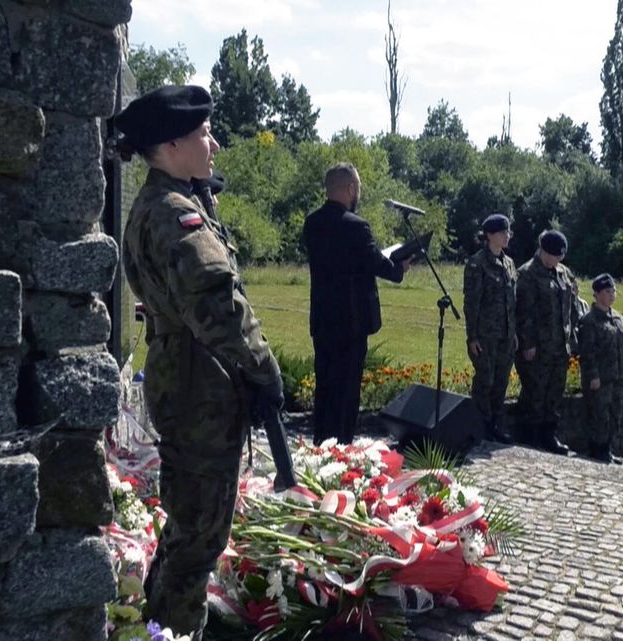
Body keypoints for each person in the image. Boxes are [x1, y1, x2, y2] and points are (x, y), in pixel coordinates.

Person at [114, 85, 293, 637]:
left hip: (191, 378)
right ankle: (176, 625)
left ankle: (160, 619)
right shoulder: (174, 215)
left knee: (189, 523)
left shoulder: (173, 203)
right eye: (204, 134)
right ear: (172, 144)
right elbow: (221, 310)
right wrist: (265, 370)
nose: (213, 145)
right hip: (199, 387)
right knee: (200, 533)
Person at [302, 163, 411, 444]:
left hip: (323, 320)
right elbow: (376, 262)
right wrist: (399, 268)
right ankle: (342, 447)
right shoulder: (356, 226)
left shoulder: (312, 223)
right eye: (358, 188)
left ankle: (321, 446)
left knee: (325, 389)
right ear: (350, 188)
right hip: (351, 323)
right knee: (347, 394)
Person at [515, 230, 583, 454]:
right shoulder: (528, 274)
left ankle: (548, 434)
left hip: (559, 346)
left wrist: (572, 339)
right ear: (543, 251)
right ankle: (530, 435)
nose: (557, 260)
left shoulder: (563, 273)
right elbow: (523, 313)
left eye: (560, 257)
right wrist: (528, 343)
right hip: (538, 347)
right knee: (535, 391)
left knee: (554, 392)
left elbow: (571, 307)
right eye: (554, 256)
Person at [463, 214, 518, 444]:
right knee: (485, 381)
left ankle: (495, 424)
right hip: (485, 335)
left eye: (508, 232)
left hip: (505, 334)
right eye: (503, 232)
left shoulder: (509, 263)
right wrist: (472, 336)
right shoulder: (477, 263)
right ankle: (480, 425)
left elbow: (511, 301)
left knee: (501, 381)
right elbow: (472, 303)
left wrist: (513, 332)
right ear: (489, 235)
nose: (507, 236)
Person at [577, 274, 623, 464]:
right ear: (597, 294)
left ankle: (607, 449)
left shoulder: (618, 318)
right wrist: (593, 376)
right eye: (607, 292)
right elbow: (588, 352)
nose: (612, 295)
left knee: (615, 414)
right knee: (599, 415)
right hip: (601, 378)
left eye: (613, 291)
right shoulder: (589, 321)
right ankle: (597, 449)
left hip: (619, 376)